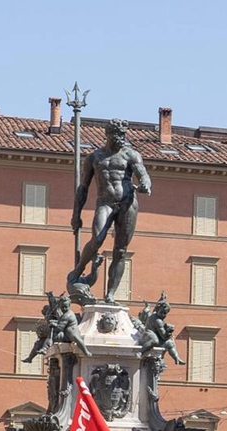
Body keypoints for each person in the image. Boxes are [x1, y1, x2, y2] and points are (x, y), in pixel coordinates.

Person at [71, 118, 152, 303]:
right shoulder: (94, 158)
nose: (121, 138)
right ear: (108, 135)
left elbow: (144, 175)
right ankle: (78, 269)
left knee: (120, 251)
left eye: (123, 135)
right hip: (105, 202)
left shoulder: (131, 155)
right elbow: (83, 188)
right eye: (117, 135)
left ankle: (110, 294)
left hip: (128, 203)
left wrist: (146, 184)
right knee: (97, 239)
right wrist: (76, 215)